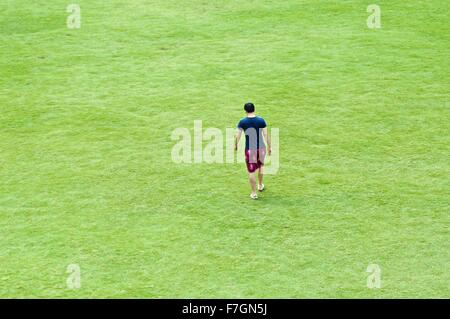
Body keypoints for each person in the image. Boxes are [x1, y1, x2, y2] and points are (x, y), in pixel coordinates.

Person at [235, 102, 271, 199]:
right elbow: (266, 135)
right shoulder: (261, 120)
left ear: (245, 110)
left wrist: (235, 145)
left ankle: (254, 193)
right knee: (261, 166)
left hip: (250, 150)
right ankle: (260, 185)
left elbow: (237, 135)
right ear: (254, 109)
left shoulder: (242, 122)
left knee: (251, 171)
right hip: (261, 148)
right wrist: (270, 146)